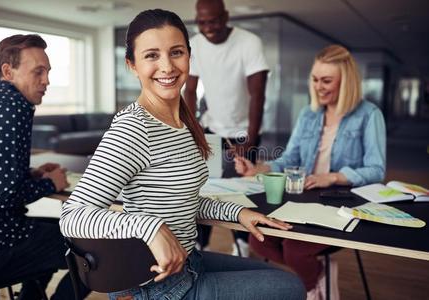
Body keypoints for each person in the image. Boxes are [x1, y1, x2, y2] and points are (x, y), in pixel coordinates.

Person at [59, 9, 305, 300]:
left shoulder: (184, 123)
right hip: (157, 286)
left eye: (176, 52)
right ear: (132, 65)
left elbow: (182, 200)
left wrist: (237, 212)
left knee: (280, 277)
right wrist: (150, 227)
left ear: (189, 56)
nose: (167, 66)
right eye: (151, 55)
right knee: (290, 288)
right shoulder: (133, 128)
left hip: (188, 262)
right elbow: (72, 216)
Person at [235, 45, 386, 299]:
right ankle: (317, 273)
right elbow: (289, 159)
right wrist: (258, 168)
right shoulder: (308, 114)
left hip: (341, 205)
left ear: (346, 81)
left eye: (327, 81)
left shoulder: (370, 115)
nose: (319, 86)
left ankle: (310, 286)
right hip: (303, 200)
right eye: (315, 79)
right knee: (258, 240)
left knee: (295, 250)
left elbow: (376, 170)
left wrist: (334, 177)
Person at [0, 34, 90, 300]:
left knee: (57, 231)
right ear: (8, 71)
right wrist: (53, 184)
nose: (47, 80)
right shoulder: (12, 106)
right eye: (38, 71)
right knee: (94, 251)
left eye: (48, 72)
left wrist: (31, 175)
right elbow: (3, 195)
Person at [184, 0, 269, 255]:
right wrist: (194, 129)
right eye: (202, 22)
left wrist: (250, 142)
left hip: (245, 131)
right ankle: (200, 245)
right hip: (211, 130)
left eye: (213, 21)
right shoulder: (196, 44)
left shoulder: (249, 42)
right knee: (204, 187)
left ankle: (242, 245)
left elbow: (258, 95)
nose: (208, 27)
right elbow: (189, 90)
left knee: (241, 191)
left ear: (226, 17)